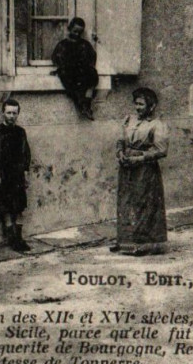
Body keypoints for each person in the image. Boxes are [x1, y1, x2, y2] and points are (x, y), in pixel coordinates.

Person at [112, 87, 169, 256]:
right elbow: (121, 140)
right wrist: (120, 153)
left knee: (143, 203)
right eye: (136, 104)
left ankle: (145, 244)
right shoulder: (129, 120)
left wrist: (140, 158)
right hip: (127, 168)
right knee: (125, 201)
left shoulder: (158, 125)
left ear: (151, 106)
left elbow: (161, 150)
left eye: (141, 104)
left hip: (145, 170)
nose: (137, 107)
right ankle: (124, 242)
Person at [0, 98, 31, 252]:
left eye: (14, 113)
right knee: (4, 208)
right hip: (3, 175)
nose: (11, 116)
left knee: (18, 208)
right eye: (9, 113)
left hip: (17, 175)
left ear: (18, 114)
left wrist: (25, 173)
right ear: (3, 113)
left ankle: (19, 238)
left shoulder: (20, 132)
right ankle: (11, 238)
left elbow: (26, 154)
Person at [51, 17, 99, 119]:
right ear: (69, 29)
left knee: (92, 75)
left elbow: (92, 57)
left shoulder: (84, 45)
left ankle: (86, 104)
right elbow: (56, 58)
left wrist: (87, 66)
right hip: (70, 73)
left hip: (83, 73)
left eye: (79, 32)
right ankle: (83, 105)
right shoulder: (63, 45)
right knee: (70, 81)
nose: (77, 34)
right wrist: (61, 66)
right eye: (75, 31)